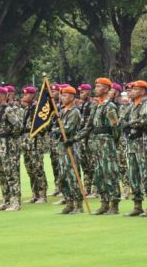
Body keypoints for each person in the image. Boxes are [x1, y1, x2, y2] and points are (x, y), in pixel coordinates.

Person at [75, 78, 121, 215]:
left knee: (110, 173)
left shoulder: (109, 107)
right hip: (96, 144)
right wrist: (74, 139)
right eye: (96, 86)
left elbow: (116, 127)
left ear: (107, 89)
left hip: (106, 143)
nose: (96, 88)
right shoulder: (96, 106)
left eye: (99, 86)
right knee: (99, 174)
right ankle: (104, 202)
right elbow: (88, 127)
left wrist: (112, 143)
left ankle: (114, 203)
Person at [121, 80, 147, 217]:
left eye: (136, 89)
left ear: (142, 91)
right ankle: (137, 204)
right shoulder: (130, 107)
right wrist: (129, 124)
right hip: (132, 144)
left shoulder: (146, 105)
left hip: (143, 143)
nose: (132, 91)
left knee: (146, 174)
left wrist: (130, 124)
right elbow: (121, 121)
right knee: (133, 174)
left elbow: (145, 120)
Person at [0, 86, 23, 211]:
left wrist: (10, 137)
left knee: (11, 173)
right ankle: (6, 200)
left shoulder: (8, 110)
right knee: (1, 173)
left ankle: (15, 202)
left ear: (3, 96)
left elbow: (18, 125)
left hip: (8, 146)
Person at [54, 85, 84, 214]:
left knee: (73, 176)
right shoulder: (61, 111)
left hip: (70, 146)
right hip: (61, 146)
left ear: (72, 97)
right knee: (63, 176)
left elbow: (68, 128)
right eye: (61, 95)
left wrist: (56, 130)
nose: (62, 97)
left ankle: (78, 204)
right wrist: (55, 129)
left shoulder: (75, 111)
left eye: (65, 95)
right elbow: (56, 126)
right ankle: (69, 202)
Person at [21, 86, 48, 203]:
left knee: (38, 169)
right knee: (30, 169)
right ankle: (35, 194)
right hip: (26, 143)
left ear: (32, 95)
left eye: (26, 94)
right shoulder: (26, 109)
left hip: (36, 143)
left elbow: (44, 125)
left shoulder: (38, 109)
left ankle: (42, 195)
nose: (24, 96)